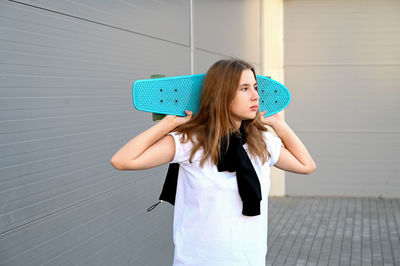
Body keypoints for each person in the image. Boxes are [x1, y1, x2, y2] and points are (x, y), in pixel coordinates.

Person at [110, 59, 316, 266]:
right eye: (244, 88)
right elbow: (122, 160)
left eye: (255, 87)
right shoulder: (192, 143)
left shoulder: (261, 143)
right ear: (221, 95)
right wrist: (167, 125)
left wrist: (279, 125)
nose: (255, 96)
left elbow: (306, 165)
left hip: (249, 260)